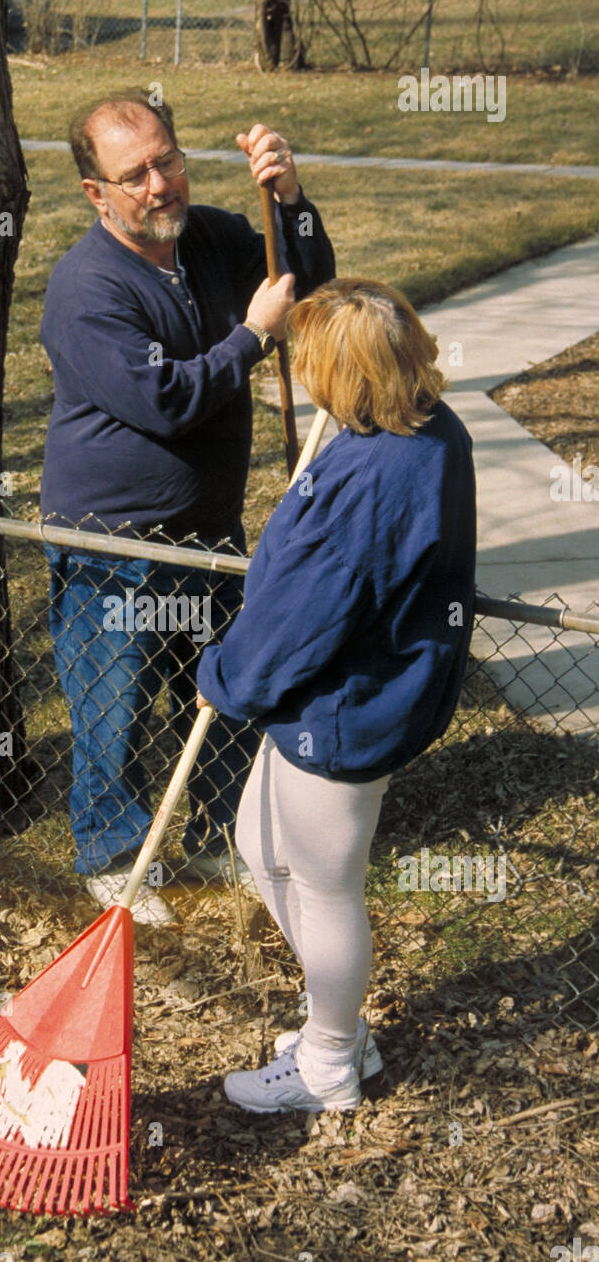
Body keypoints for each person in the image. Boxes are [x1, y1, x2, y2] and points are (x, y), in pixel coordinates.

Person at [39, 88, 335, 924]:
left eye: (165, 159)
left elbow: (307, 283)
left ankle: (216, 834)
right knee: (116, 708)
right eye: (133, 175)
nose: (160, 184)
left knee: (221, 692)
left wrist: (289, 201)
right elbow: (166, 400)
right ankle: (114, 857)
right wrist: (251, 337)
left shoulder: (209, 236)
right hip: (111, 540)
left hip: (207, 529)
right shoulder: (85, 287)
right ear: (97, 193)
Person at [196, 278, 477, 1112]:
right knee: (257, 839)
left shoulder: (377, 475)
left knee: (323, 884)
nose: (304, 377)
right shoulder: (419, 427)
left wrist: (228, 678)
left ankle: (328, 1062)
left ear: (348, 374)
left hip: (348, 705)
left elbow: (303, 614)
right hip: (337, 696)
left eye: (314, 363)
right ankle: (337, 1021)